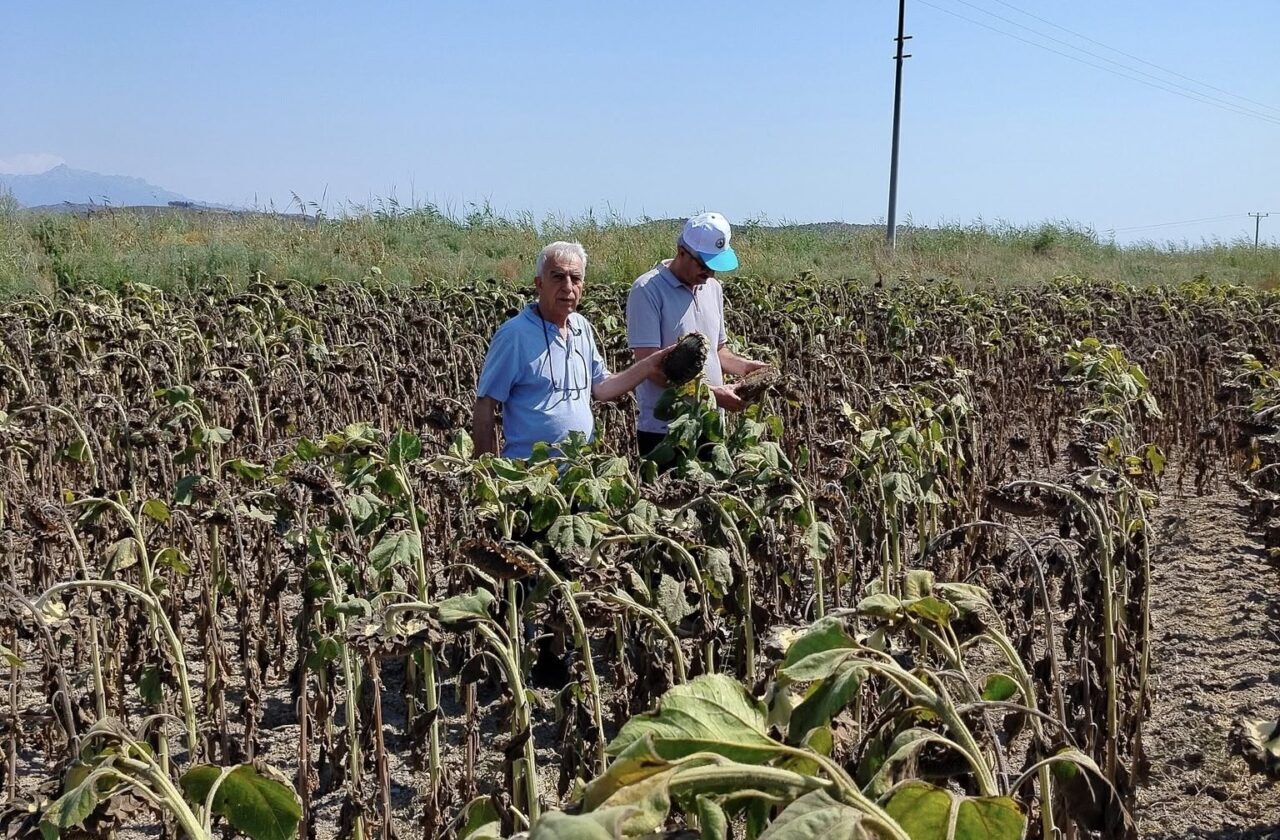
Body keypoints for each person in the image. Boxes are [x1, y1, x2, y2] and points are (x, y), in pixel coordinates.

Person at [473, 241, 671, 459]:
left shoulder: (581, 327)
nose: (568, 287)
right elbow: (485, 402)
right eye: (558, 277)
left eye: (575, 279)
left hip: (578, 472)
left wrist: (649, 364)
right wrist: (486, 470)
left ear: (582, 287)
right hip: (528, 476)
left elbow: (602, 387)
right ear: (539, 284)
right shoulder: (514, 335)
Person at [626, 212, 768, 456]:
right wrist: (713, 395)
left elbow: (718, 350)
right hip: (666, 431)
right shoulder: (647, 290)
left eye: (715, 267)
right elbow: (650, 367)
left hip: (710, 424)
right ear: (682, 252)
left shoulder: (713, 288)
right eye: (704, 265)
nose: (710, 274)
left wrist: (746, 368)